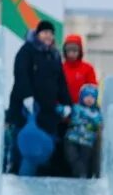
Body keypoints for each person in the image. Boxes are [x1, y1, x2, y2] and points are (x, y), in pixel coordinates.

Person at [6, 20, 69, 173]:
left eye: (51, 33)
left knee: (42, 147)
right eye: (45, 32)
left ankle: (36, 179)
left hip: (47, 111)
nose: (48, 36)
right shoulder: (27, 51)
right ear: (38, 34)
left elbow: (60, 81)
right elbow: (21, 74)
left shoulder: (53, 55)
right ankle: (16, 175)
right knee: (23, 145)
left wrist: (67, 103)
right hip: (26, 109)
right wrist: (27, 96)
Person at [65, 83, 102, 179]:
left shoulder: (96, 113)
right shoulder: (76, 108)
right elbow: (65, 112)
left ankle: (82, 176)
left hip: (87, 141)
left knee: (84, 160)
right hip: (73, 138)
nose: (89, 99)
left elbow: (98, 122)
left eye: (92, 97)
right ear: (82, 96)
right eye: (87, 96)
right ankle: (78, 174)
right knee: (71, 157)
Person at [61, 35, 98, 115]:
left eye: (74, 51)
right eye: (69, 51)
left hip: (83, 112)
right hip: (64, 110)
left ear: (79, 51)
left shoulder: (88, 68)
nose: (71, 54)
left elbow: (93, 88)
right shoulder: (60, 68)